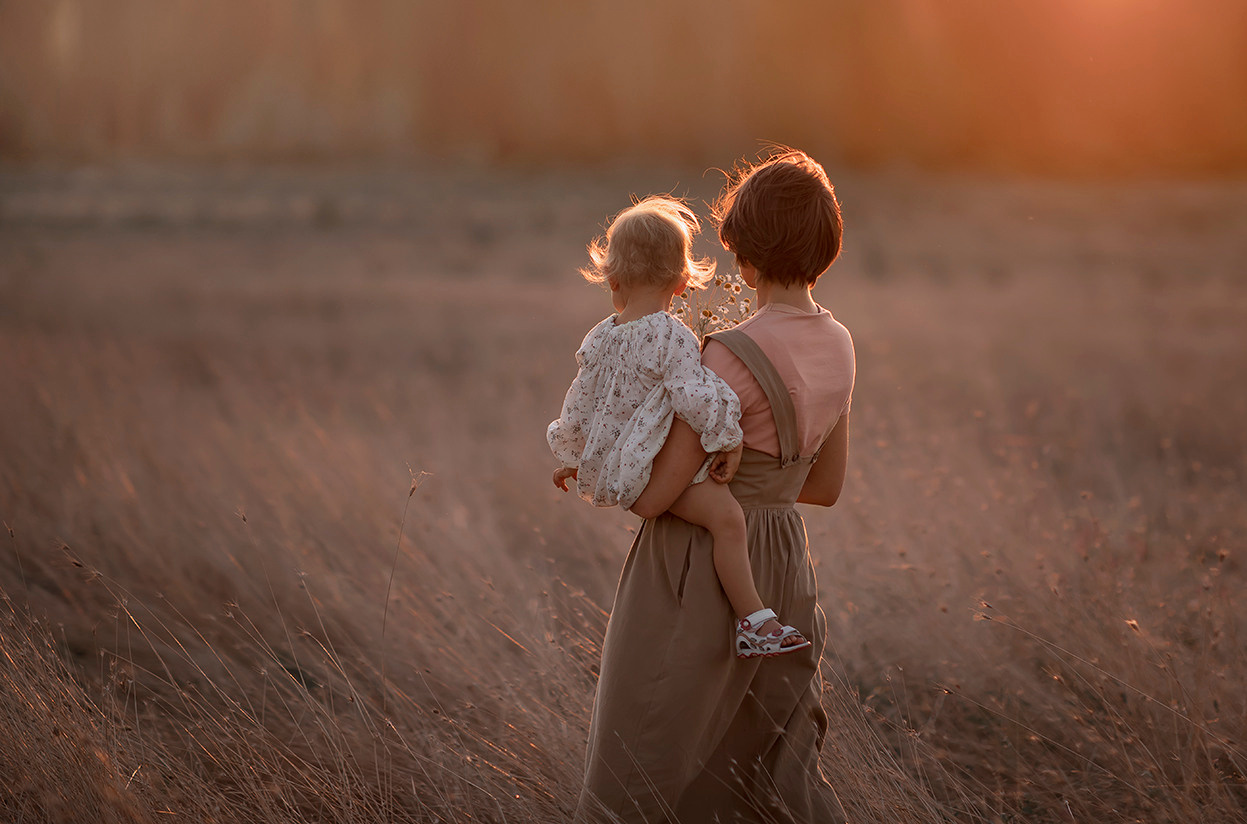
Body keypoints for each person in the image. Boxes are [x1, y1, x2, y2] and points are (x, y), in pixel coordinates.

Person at [574, 149, 855, 824]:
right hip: (782, 567)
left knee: (639, 766)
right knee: (756, 776)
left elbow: (651, 497)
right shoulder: (841, 342)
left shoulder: (723, 353)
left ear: (743, 253)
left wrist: (604, 451)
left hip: (693, 571)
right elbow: (825, 487)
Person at [547, 196, 811, 659]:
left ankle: (744, 617)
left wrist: (570, 456)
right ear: (684, 281)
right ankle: (755, 621)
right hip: (652, 469)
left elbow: (579, 401)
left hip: (616, 469)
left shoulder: (600, 336)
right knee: (727, 519)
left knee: (715, 521)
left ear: (611, 277)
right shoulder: (672, 336)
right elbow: (697, 397)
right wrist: (730, 438)